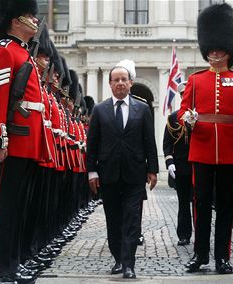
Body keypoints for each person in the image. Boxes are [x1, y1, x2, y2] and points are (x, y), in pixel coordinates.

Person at [178, 3, 233, 274]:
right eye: (211, 49)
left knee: (226, 207)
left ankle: (222, 256)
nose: (214, 53)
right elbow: (182, 111)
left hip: (229, 150)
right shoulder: (196, 80)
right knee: (200, 204)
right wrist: (186, 118)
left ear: (228, 50)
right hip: (201, 149)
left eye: (219, 49)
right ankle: (200, 254)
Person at [0, 0, 44, 283]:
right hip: (14, 142)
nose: (35, 19)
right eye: (29, 15)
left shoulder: (24, 54)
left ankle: (12, 264)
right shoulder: (5, 51)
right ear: (15, 20)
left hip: (28, 142)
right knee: (4, 209)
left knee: (17, 208)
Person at [86, 60, 158, 279]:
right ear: (110, 84)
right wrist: (92, 171)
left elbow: (149, 141)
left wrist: (153, 169)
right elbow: (93, 144)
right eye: (115, 80)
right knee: (113, 219)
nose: (120, 83)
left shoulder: (142, 109)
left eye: (123, 80)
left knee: (131, 219)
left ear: (130, 83)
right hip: (108, 174)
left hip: (135, 174)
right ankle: (118, 258)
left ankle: (129, 264)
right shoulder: (99, 110)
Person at [163, 81, 193, 246]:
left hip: (198, 165)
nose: (184, 97)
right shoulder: (173, 117)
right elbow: (167, 143)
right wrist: (170, 163)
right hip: (181, 166)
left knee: (199, 202)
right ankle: (184, 234)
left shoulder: (199, 115)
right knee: (183, 203)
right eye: (182, 94)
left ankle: (201, 235)